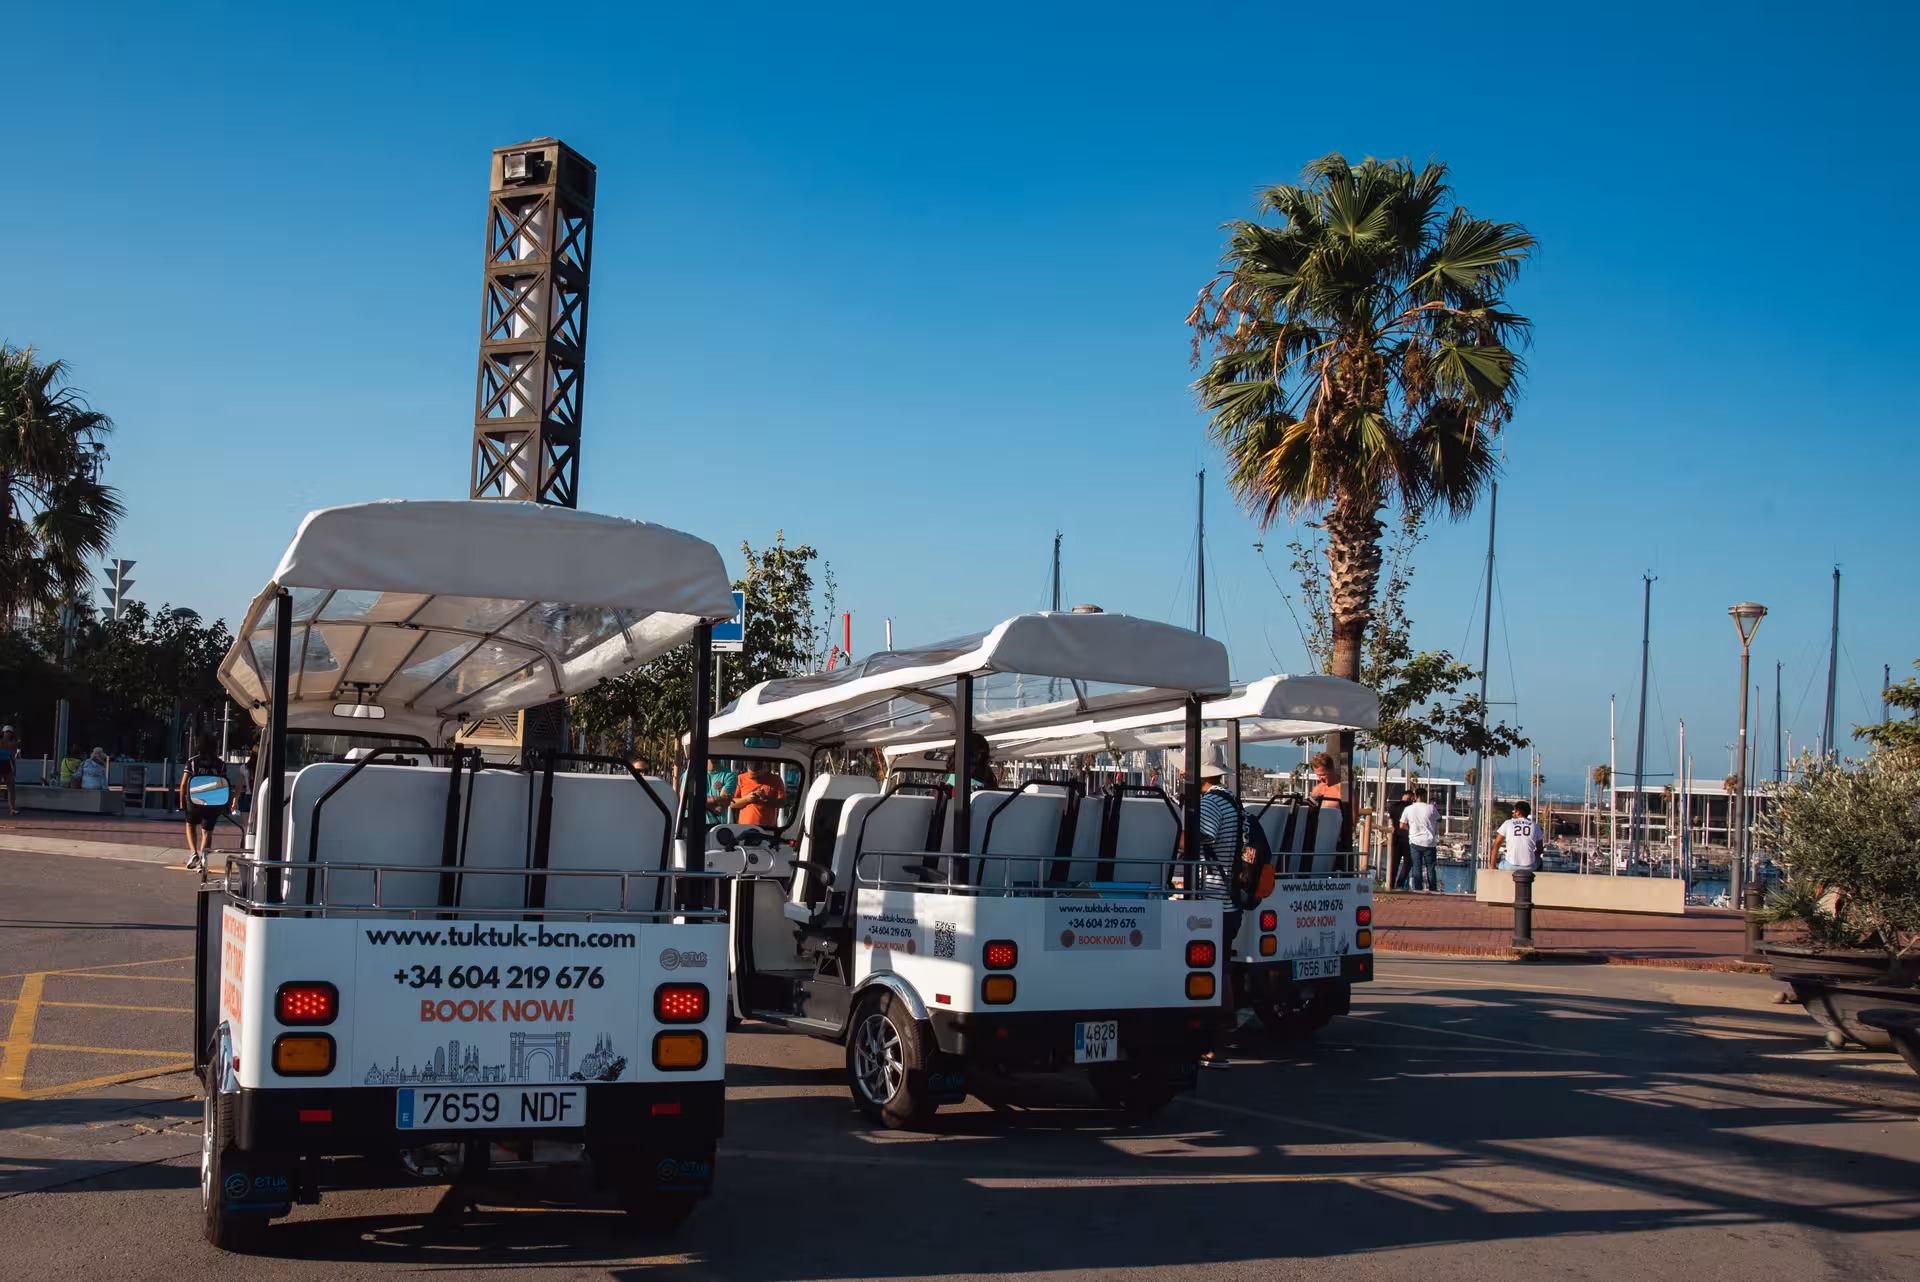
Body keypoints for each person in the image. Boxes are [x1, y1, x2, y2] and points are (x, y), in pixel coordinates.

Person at [1182, 747, 1244, 1070]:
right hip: (1230, 900)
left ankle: (1214, 1046)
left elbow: (1195, 840)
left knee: (1210, 974)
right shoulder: (1232, 803)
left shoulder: (1209, 804)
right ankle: (1221, 1036)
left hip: (1213, 901)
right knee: (1222, 970)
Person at [179, 735, 232, 871]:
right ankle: (204, 860)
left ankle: (193, 853)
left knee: (190, 825)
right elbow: (224, 783)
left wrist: (181, 801)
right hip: (213, 801)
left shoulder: (192, 762)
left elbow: (184, 783)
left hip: (194, 800)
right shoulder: (220, 764)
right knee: (207, 832)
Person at [1400, 786, 1441, 891]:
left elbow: (1402, 825)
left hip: (1415, 841)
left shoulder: (1408, 809)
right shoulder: (1431, 808)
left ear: (1415, 796)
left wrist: (1411, 829)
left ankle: (1418, 890)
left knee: (1416, 867)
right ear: (1423, 796)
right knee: (1430, 868)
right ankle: (1433, 889)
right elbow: (1439, 819)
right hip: (1429, 842)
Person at [733, 760, 786, 828]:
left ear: (764, 768)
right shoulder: (740, 778)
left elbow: (782, 803)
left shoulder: (776, 779)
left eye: (757, 777)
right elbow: (732, 803)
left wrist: (766, 799)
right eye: (751, 778)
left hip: (767, 828)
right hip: (744, 827)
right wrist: (747, 799)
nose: (755, 781)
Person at [1493, 801, 1542, 871]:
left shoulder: (1508, 823)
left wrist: (1492, 865)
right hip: (1529, 866)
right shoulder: (1536, 826)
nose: (1513, 813)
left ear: (1518, 812)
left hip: (1510, 866)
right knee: (1539, 860)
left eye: (1514, 811)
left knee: (1501, 864)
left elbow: (1496, 844)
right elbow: (1540, 849)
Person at [1386, 785, 1413, 889]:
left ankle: (1391, 884)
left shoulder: (1393, 806)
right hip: (1408, 837)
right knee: (1408, 863)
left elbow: (1391, 819)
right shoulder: (1411, 807)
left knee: (1394, 863)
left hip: (1396, 836)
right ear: (1410, 797)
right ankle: (1400, 883)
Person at [0, 725, 19, 816]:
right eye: (6, 732)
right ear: (3, 733)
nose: (8, 734)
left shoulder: (13, 745)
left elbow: (12, 758)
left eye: (9, 732)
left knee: (11, 787)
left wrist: (14, 769)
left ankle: (12, 808)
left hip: (7, 765)